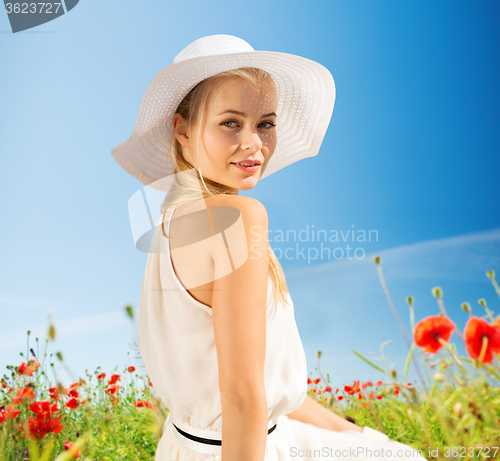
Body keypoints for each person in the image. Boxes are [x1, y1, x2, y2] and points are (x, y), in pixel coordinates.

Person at [111, 35, 427, 461]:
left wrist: (363, 435)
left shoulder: (167, 226)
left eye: (265, 123)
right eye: (230, 123)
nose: (254, 143)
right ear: (182, 129)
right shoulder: (239, 219)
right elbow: (241, 396)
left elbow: (265, 387)